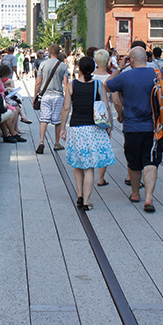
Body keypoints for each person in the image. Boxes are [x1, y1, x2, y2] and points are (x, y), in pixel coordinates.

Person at [105, 46, 163, 213]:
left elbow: (107, 86)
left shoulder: (125, 76)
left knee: (134, 162)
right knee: (151, 161)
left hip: (132, 127)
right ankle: (149, 198)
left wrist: (120, 67)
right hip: (155, 128)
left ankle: (135, 194)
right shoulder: (159, 74)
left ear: (131, 60)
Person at [59, 57, 116, 211]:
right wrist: (109, 125)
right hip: (94, 129)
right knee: (89, 166)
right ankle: (87, 201)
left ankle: (79, 194)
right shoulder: (99, 85)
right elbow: (106, 107)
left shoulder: (71, 86)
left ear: (80, 68)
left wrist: (63, 128)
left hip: (76, 128)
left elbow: (66, 108)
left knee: (78, 164)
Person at [34, 43, 69, 154]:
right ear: (59, 53)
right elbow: (65, 84)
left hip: (45, 96)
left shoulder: (43, 64)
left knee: (44, 119)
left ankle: (41, 141)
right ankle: (57, 143)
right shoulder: (63, 66)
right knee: (58, 121)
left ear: (49, 52)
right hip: (58, 96)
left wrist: (35, 95)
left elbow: (38, 82)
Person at [92, 49, 114, 186]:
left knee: (91, 144)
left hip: (91, 114)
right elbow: (112, 101)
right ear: (107, 61)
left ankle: (89, 172)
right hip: (105, 115)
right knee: (103, 146)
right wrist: (110, 123)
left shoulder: (90, 77)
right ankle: (101, 178)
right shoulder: (109, 78)